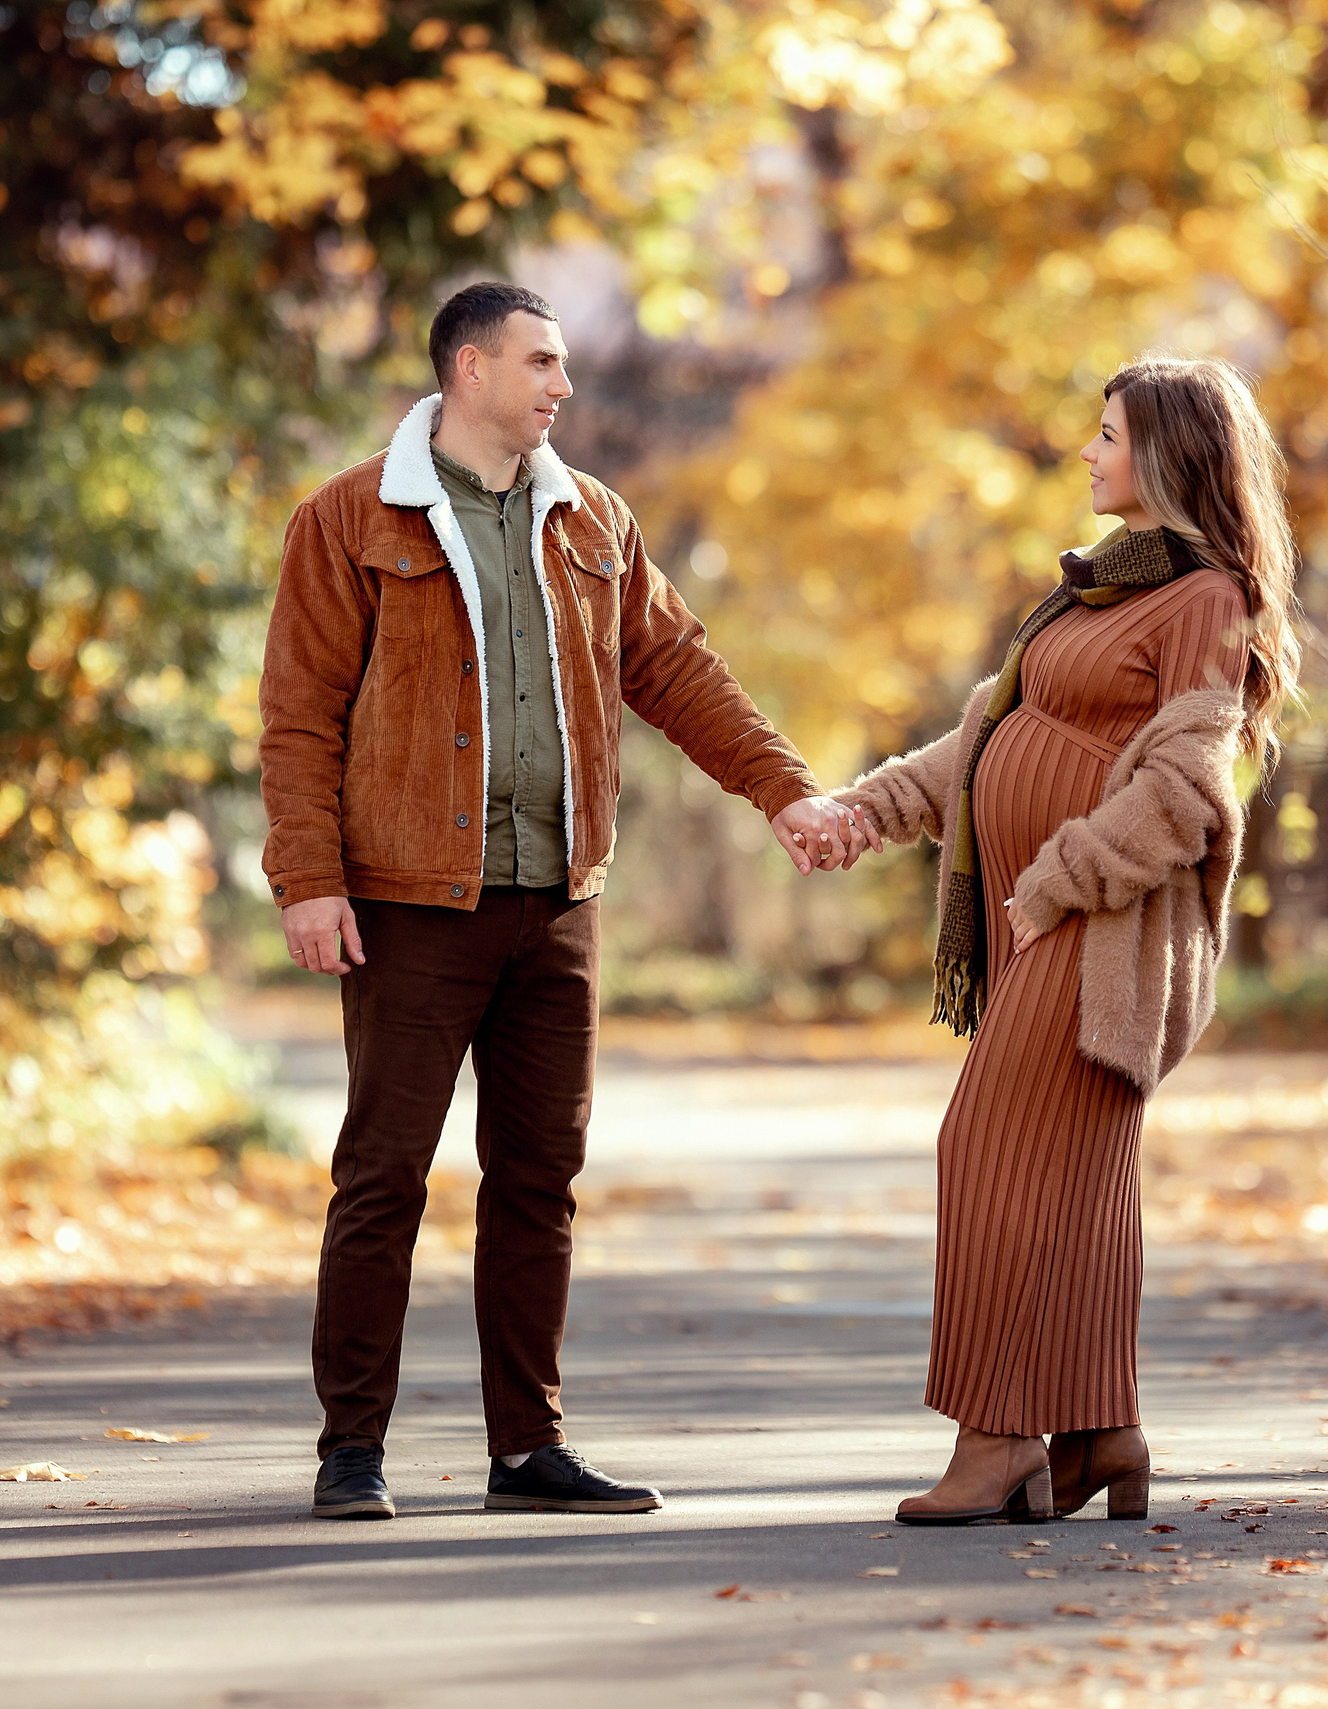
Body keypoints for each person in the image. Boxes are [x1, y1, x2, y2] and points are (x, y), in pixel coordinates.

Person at [259, 280, 861, 1520]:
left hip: (558, 903)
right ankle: (350, 1450)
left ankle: (526, 1449)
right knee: (385, 1176)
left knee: (539, 1180)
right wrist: (308, 879)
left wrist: (785, 792)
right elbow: (299, 713)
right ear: (469, 368)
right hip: (411, 903)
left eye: (565, 365)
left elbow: (680, 672)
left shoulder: (593, 519)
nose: (561, 385)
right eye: (540, 361)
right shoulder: (351, 516)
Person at [835, 355, 1299, 1525]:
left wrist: (1056, 881)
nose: (1087, 453)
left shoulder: (1203, 599)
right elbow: (997, 738)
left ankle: (996, 1440)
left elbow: (1190, 788)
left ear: (1167, 456)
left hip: (1097, 935)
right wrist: (868, 809)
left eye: (1106, 434)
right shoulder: (1099, 591)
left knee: (982, 1149)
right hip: (1045, 927)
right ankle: (1103, 1430)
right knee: (1081, 1184)